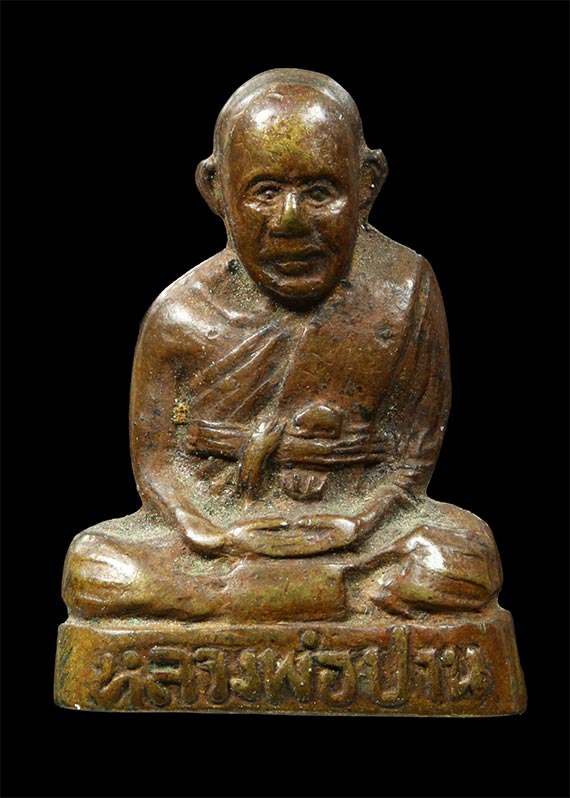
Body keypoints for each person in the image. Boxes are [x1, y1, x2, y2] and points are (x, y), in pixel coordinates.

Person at [63, 68, 502, 622]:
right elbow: (157, 466)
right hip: (222, 541)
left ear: (367, 184)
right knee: (94, 562)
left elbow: (412, 457)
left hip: (358, 539)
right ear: (216, 190)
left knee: (465, 554)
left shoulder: (404, 290)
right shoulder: (180, 316)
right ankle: (299, 597)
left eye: (319, 192)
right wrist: (207, 530)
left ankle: (237, 603)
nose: (290, 221)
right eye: (265, 192)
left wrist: (359, 522)